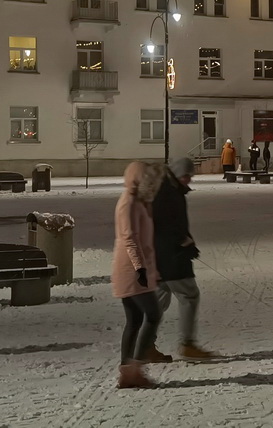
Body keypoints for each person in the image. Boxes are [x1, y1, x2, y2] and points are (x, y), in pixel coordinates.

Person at [151, 157, 216, 360]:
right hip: (171, 256)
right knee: (189, 295)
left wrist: (187, 241)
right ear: (177, 173)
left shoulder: (169, 189)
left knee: (157, 302)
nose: (189, 179)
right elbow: (165, 225)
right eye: (186, 175)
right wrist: (183, 242)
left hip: (163, 256)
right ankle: (187, 344)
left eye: (190, 176)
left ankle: (144, 344)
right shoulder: (167, 193)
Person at [112, 160, 163, 388]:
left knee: (134, 320)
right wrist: (140, 269)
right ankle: (134, 368)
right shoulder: (129, 203)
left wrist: (152, 269)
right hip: (131, 270)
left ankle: (128, 372)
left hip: (136, 269)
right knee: (153, 314)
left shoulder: (140, 202)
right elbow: (129, 238)